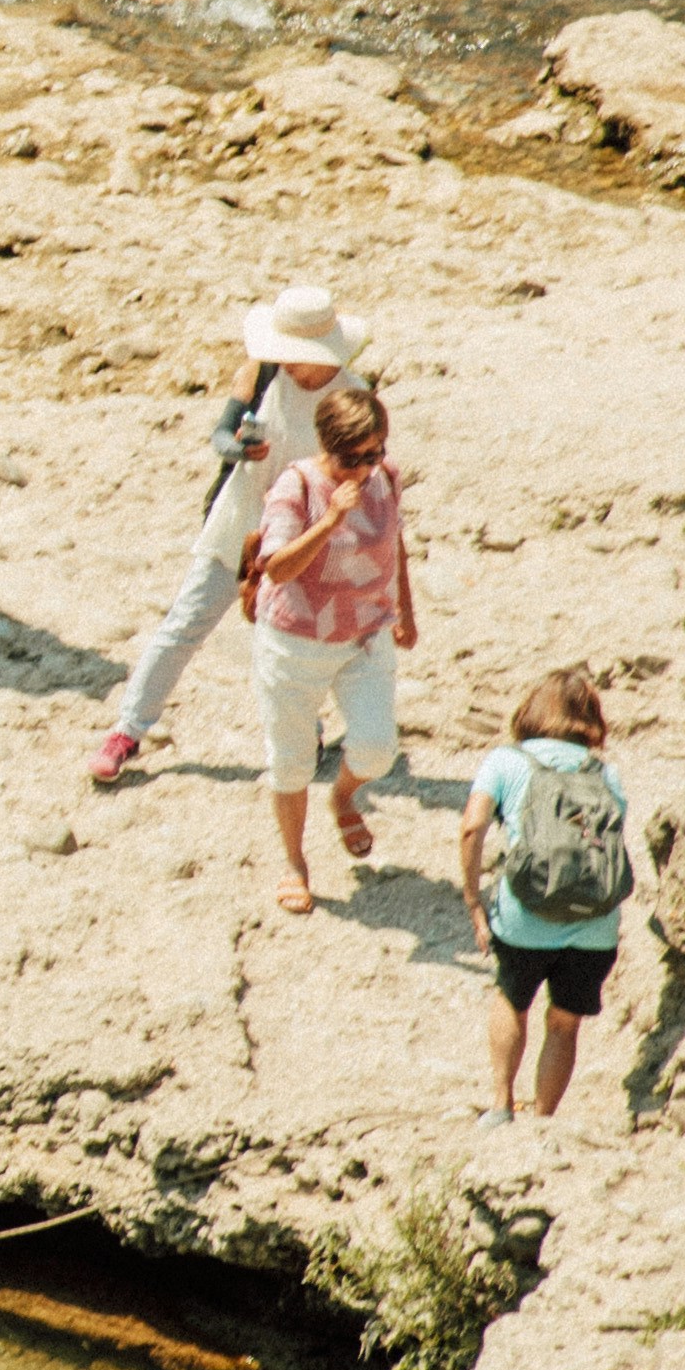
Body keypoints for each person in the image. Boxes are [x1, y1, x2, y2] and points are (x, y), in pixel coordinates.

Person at [84, 283, 362, 790]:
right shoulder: (261, 372)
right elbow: (221, 434)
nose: (288, 363)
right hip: (240, 524)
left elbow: (363, 473)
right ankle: (126, 731)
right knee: (184, 625)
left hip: (302, 539)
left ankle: (308, 735)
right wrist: (236, 451)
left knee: (290, 645)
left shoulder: (351, 397)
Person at [245, 378, 415, 915]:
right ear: (327, 447)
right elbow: (279, 566)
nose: (365, 467)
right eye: (353, 458)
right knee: (291, 762)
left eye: (375, 452)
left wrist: (405, 610)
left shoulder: (386, 478)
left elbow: (395, 545)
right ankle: (295, 862)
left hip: (364, 633)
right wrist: (332, 519)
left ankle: (341, 795)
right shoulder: (296, 486)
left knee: (376, 748)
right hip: (296, 638)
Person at [456, 669, 639, 1126]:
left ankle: (500, 1104)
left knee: (512, 999)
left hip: (526, 912)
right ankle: (543, 1118)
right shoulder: (605, 773)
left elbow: (472, 827)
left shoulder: (505, 761)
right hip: (595, 921)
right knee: (564, 1023)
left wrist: (474, 901)